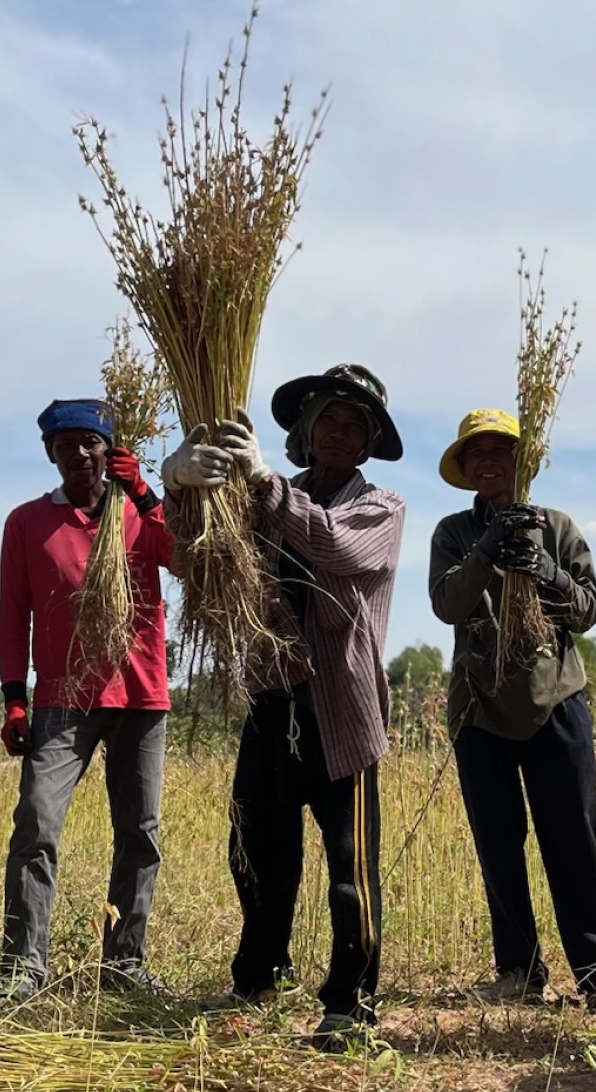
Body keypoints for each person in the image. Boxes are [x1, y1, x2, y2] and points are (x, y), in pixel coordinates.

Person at [164, 364, 406, 1051]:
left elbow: (333, 543)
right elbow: (197, 556)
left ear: (367, 445)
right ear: (305, 431)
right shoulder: (267, 497)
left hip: (340, 711)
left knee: (349, 865)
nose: (338, 432)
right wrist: (182, 487)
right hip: (272, 701)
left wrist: (262, 483)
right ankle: (259, 980)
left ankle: (350, 1003)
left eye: (354, 425)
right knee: (256, 852)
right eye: (327, 419)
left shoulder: (380, 507)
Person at [427, 408, 596, 1012]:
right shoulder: (452, 532)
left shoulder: (558, 526)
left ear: (523, 461)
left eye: (503, 450)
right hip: (479, 708)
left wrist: (543, 568)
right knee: (498, 841)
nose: (490, 460)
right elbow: (448, 604)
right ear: (466, 468)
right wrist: (489, 552)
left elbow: (587, 610)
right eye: (477, 453)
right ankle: (518, 971)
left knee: (573, 837)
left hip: (557, 703)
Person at [0, 399, 176, 1000]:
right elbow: (12, 614)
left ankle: (124, 964)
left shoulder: (139, 513)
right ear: (50, 452)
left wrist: (145, 492)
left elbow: (184, 557)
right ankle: (23, 968)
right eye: (66, 444)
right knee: (38, 824)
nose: (79, 454)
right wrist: (14, 699)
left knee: (139, 832)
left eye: (90, 443)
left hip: (141, 694)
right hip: (62, 698)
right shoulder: (26, 523)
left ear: (109, 450)